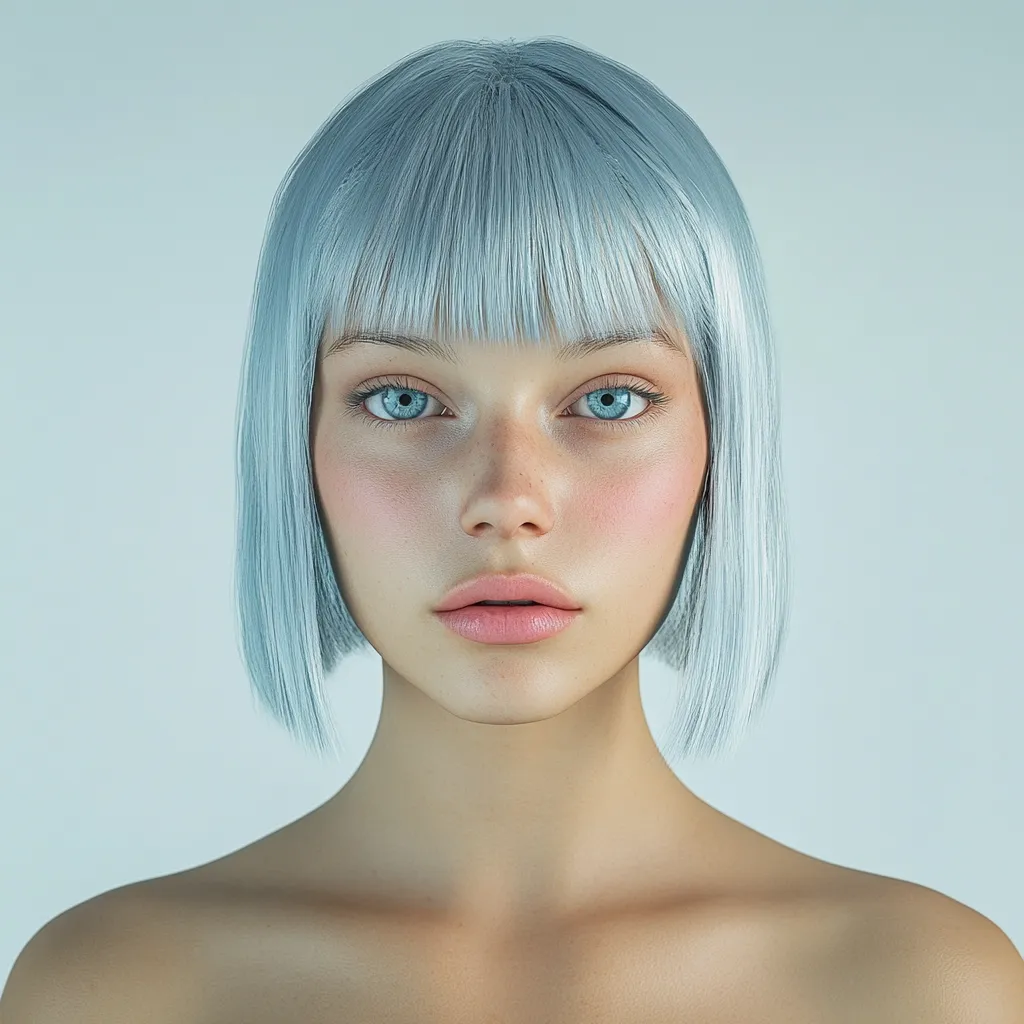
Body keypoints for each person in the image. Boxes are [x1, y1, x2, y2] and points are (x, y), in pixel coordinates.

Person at [4, 34, 1022, 1024]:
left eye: (610, 400)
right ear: (295, 438)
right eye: (403, 399)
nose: (507, 499)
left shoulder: (921, 989)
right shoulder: (113, 992)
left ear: (722, 440)